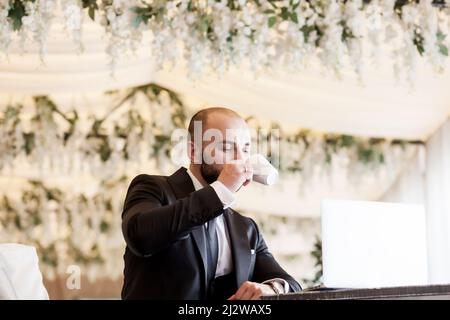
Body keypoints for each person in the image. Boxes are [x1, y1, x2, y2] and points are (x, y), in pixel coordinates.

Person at [121, 107, 301, 300]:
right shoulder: (154, 188)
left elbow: (291, 284)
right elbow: (140, 236)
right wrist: (222, 189)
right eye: (226, 148)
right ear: (193, 151)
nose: (240, 158)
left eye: (246, 149)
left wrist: (272, 289)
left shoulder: (246, 229)